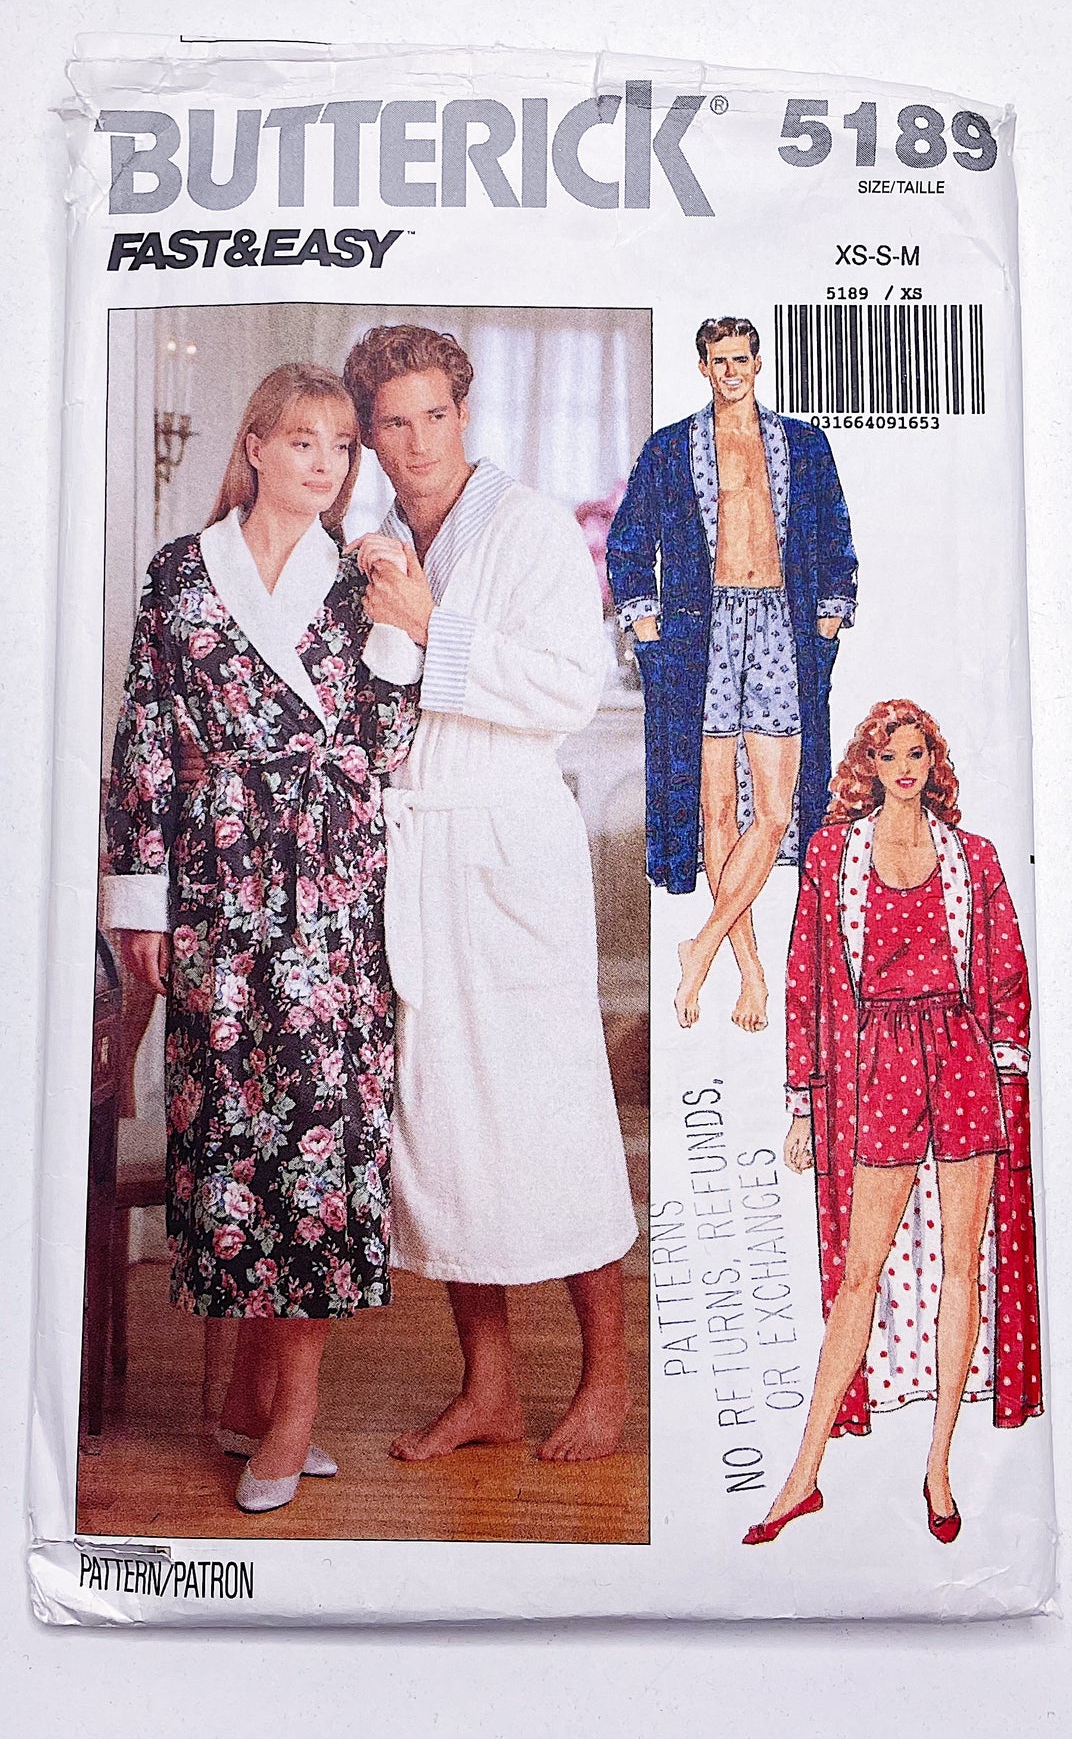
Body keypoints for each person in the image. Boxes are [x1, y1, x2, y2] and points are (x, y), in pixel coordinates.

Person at [101, 362, 419, 1515]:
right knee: (231, 1135)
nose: (325, 464)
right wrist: (143, 901)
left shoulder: (362, 579)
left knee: (325, 1140)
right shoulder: (182, 575)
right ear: (255, 447)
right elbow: (145, 738)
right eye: (302, 442)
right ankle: (241, 1398)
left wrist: (402, 629)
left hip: (333, 888)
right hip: (218, 884)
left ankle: (292, 1413)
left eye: (341, 447)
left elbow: (387, 743)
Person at [341, 323, 639, 1464]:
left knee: (550, 1116)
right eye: (394, 422)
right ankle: (491, 1390)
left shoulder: (530, 529)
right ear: (370, 434)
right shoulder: (373, 542)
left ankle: (607, 1377)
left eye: (435, 416)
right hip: (419, 854)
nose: (418, 442)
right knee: (446, 1131)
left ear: (464, 413)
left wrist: (432, 627)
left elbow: (568, 691)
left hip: (510, 852)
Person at [744, 700, 1043, 1547]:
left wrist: (1009, 1075)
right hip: (879, 1063)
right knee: (859, 1274)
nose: (905, 768)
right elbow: (806, 979)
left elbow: (1008, 974)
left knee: (963, 1266)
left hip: (963, 1060)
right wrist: (803, 1103)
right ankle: (803, 1472)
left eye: (917, 754)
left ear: (932, 763)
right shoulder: (832, 854)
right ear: (868, 767)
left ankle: (939, 1465)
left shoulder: (974, 857)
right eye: (890, 755)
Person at [606, 315, 857, 1031]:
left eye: (741, 359)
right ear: (703, 367)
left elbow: (836, 541)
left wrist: (825, 625)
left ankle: (703, 946)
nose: (731, 372)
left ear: (758, 363)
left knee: (776, 810)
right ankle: (750, 973)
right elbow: (628, 545)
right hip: (702, 634)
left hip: (780, 624)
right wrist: (649, 631)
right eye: (719, 361)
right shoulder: (670, 448)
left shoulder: (803, 445)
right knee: (715, 808)